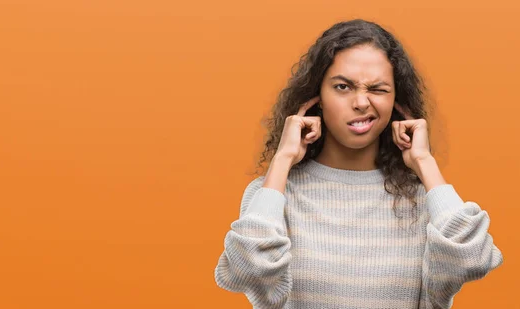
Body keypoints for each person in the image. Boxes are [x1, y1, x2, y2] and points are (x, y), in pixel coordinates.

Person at [213, 19, 503, 309]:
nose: (362, 102)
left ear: (395, 103)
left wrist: (425, 162)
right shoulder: (273, 194)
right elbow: (247, 270)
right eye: (343, 87)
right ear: (318, 98)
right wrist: (283, 159)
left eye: (378, 89)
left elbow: (471, 259)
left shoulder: (425, 200)